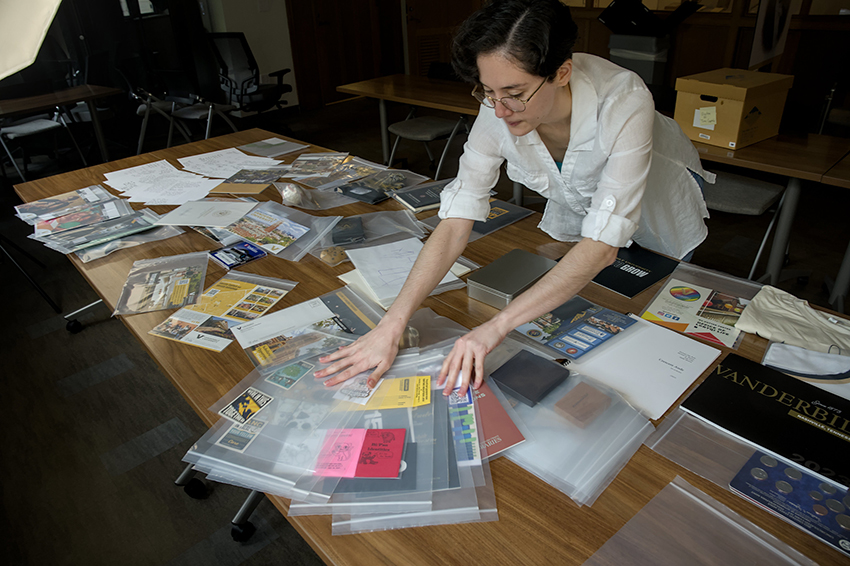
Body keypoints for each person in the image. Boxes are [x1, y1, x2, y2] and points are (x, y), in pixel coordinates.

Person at [316, 0, 711, 396]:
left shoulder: (623, 100)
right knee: (590, 313)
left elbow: (603, 246)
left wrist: (494, 328)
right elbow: (455, 222)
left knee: (655, 319)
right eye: (488, 91)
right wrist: (392, 323)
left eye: (514, 93)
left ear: (561, 73)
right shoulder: (500, 107)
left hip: (659, 204)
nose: (500, 111)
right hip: (582, 204)